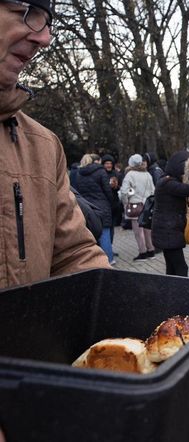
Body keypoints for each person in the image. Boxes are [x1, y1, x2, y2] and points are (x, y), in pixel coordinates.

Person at [0, 0, 109, 290]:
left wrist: (124, 308)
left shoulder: (43, 145)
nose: (44, 39)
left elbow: (73, 255)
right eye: (28, 14)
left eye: (48, 22)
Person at [151, 150, 189, 276]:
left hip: (167, 231)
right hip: (168, 232)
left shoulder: (166, 180)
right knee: (181, 268)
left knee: (172, 268)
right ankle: (180, 293)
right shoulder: (169, 183)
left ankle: (171, 293)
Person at [74, 153, 115, 264]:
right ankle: (109, 260)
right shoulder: (101, 172)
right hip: (102, 205)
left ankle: (95, 260)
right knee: (105, 233)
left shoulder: (79, 174)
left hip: (87, 207)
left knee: (92, 234)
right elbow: (107, 190)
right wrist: (111, 203)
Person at [119, 153, 156, 261]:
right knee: (147, 229)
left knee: (138, 231)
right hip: (147, 205)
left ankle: (142, 252)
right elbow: (153, 190)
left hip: (135, 204)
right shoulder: (148, 174)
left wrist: (125, 202)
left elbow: (124, 192)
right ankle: (151, 250)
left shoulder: (130, 175)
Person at [101, 154, 123, 241]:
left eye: (110, 163)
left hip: (114, 204)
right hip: (104, 204)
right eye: (106, 163)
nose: (109, 165)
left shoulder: (116, 174)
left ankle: (110, 246)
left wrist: (116, 186)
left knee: (112, 226)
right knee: (105, 227)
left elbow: (121, 187)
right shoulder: (101, 174)